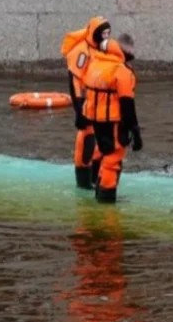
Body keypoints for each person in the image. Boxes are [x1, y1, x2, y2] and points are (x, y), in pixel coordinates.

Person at [61, 16, 126, 189]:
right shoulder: (82, 52)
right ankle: (83, 180)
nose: (106, 36)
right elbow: (74, 81)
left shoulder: (102, 49)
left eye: (108, 33)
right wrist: (78, 109)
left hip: (101, 104)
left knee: (102, 142)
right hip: (86, 102)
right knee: (87, 138)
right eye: (103, 33)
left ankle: (96, 178)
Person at [82, 33, 142, 203]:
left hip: (96, 119)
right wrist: (135, 131)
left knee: (103, 152)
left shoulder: (96, 65)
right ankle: (106, 197)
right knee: (113, 158)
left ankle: (97, 188)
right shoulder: (121, 71)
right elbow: (127, 104)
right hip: (114, 121)